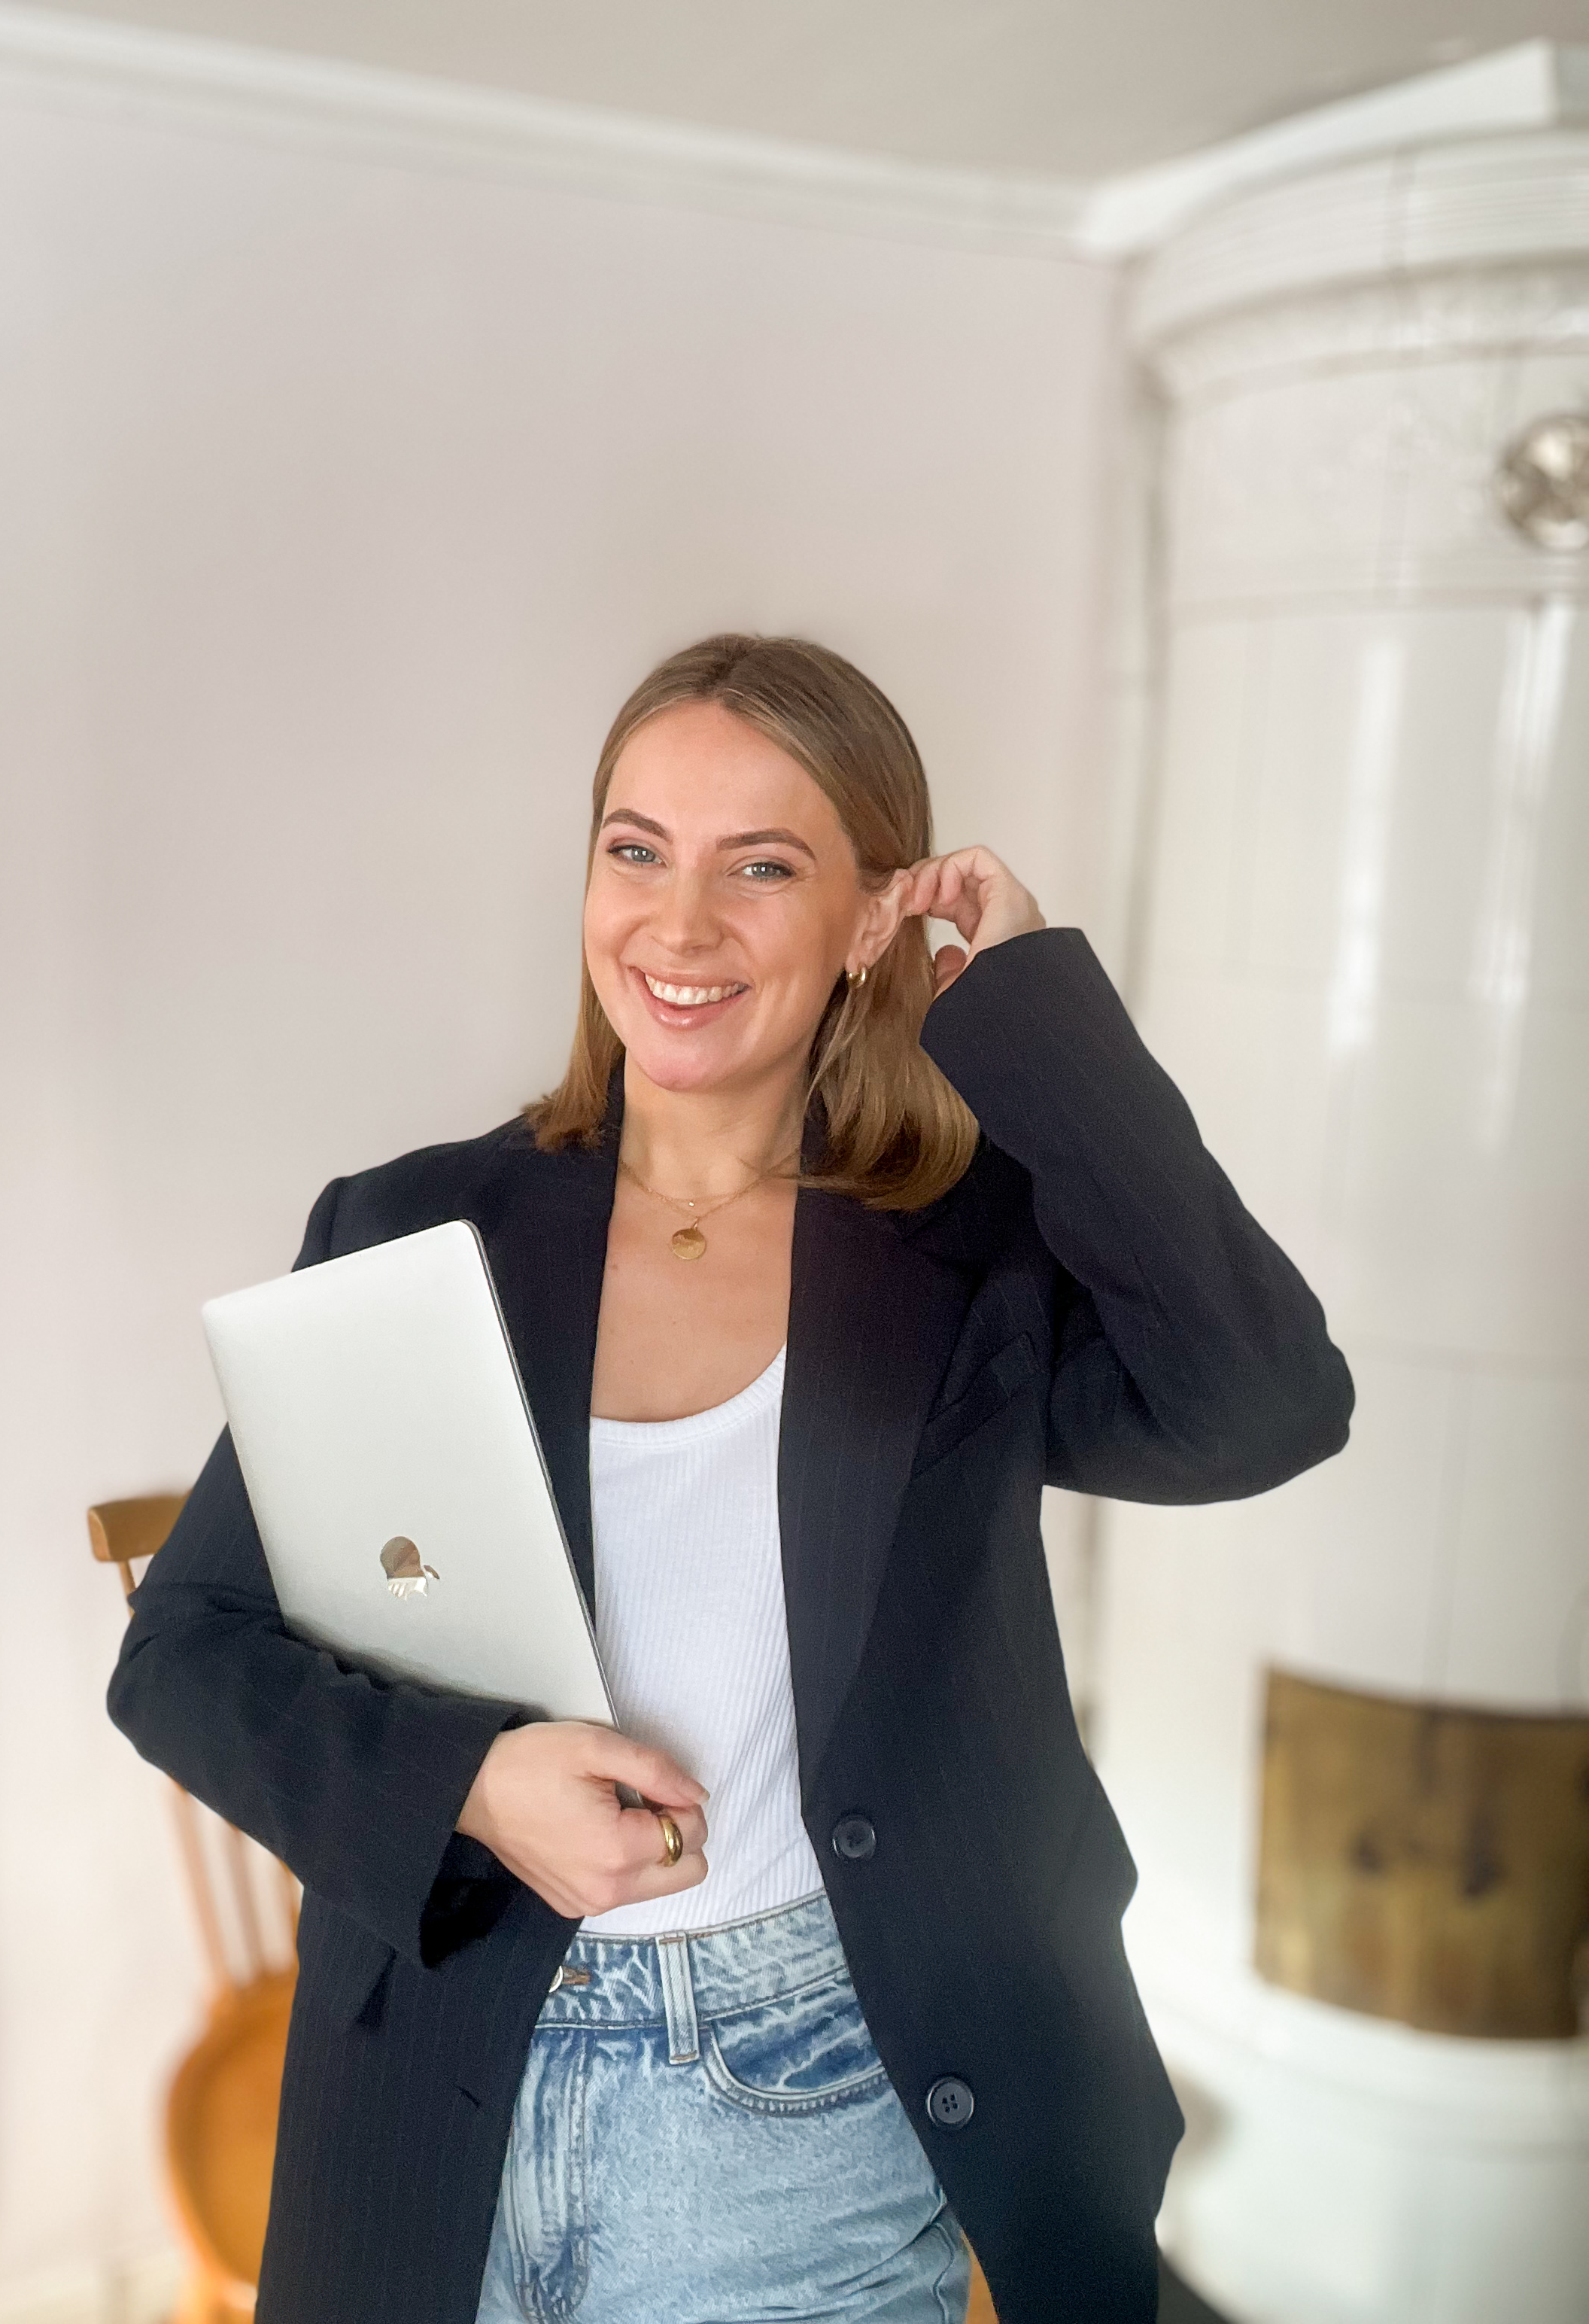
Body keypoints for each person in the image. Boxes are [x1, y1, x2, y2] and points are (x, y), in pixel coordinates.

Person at [109, 633, 1353, 2324]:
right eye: (638, 850)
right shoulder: (410, 1229)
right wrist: (474, 1786)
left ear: (870, 919)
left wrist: (1035, 1004)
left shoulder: (966, 1254)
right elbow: (183, 1655)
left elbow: (1262, 1406)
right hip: (429, 2090)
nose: (679, 925)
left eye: (761, 867)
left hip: (806, 2104)